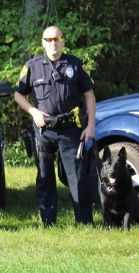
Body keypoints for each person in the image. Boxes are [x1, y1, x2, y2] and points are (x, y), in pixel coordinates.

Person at [14, 25, 97, 226]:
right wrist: (33, 112)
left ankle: (84, 222)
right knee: (44, 177)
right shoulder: (32, 66)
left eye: (57, 39)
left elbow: (89, 95)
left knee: (76, 177)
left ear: (63, 41)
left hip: (70, 129)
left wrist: (91, 125)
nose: (53, 43)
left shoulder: (76, 65)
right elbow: (18, 95)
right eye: (49, 39)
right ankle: (48, 222)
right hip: (44, 130)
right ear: (42, 42)